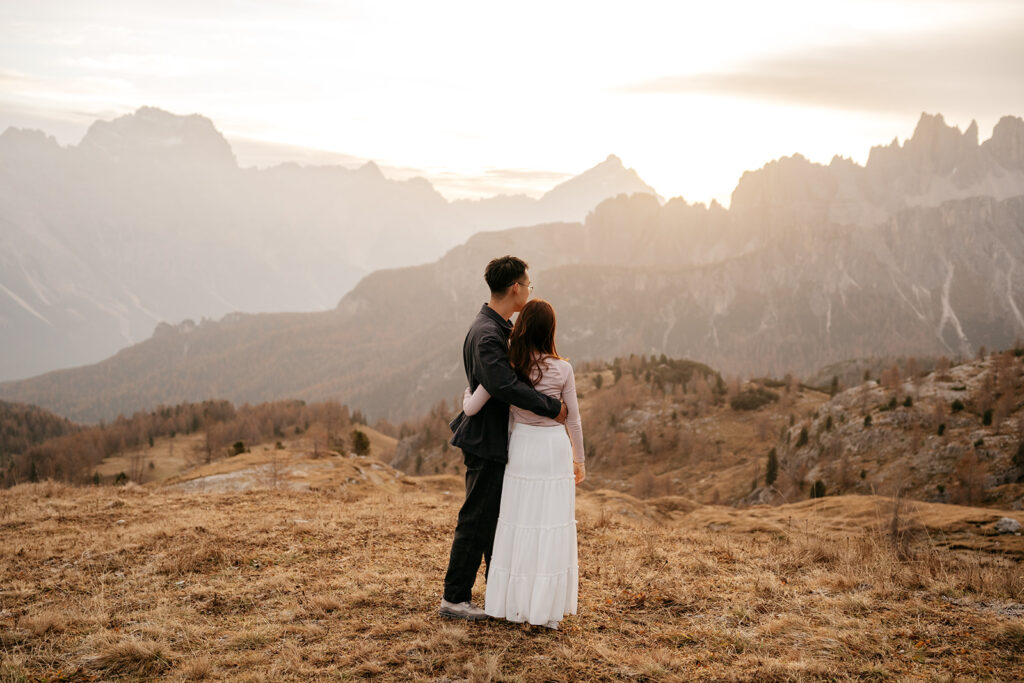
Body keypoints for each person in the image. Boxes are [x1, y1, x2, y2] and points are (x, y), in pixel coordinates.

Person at [440, 256, 568, 621]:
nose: (529, 290)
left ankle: (503, 597)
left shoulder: (496, 328)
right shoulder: (488, 334)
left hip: (494, 437)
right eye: (528, 285)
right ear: (515, 287)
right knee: (477, 518)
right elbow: (502, 384)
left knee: (495, 520)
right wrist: (550, 406)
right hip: (486, 440)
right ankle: (454, 598)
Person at [461, 298, 585, 630]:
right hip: (554, 450)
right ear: (551, 330)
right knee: (549, 525)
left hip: (523, 449)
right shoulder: (564, 369)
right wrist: (580, 460)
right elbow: (573, 421)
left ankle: (513, 604)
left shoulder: (510, 365)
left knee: (518, 523)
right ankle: (545, 608)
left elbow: (472, 408)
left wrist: (465, 394)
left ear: (522, 327)